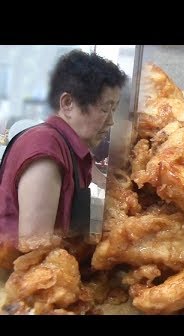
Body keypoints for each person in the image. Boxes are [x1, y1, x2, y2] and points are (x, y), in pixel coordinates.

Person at [0, 49, 127, 269]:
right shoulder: (45, 147)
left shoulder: (71, 146)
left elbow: (106, 182)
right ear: (68, 103)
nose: (111, 122)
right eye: (105, 109)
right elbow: (34, 248)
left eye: (113, 110)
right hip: (17, 280)